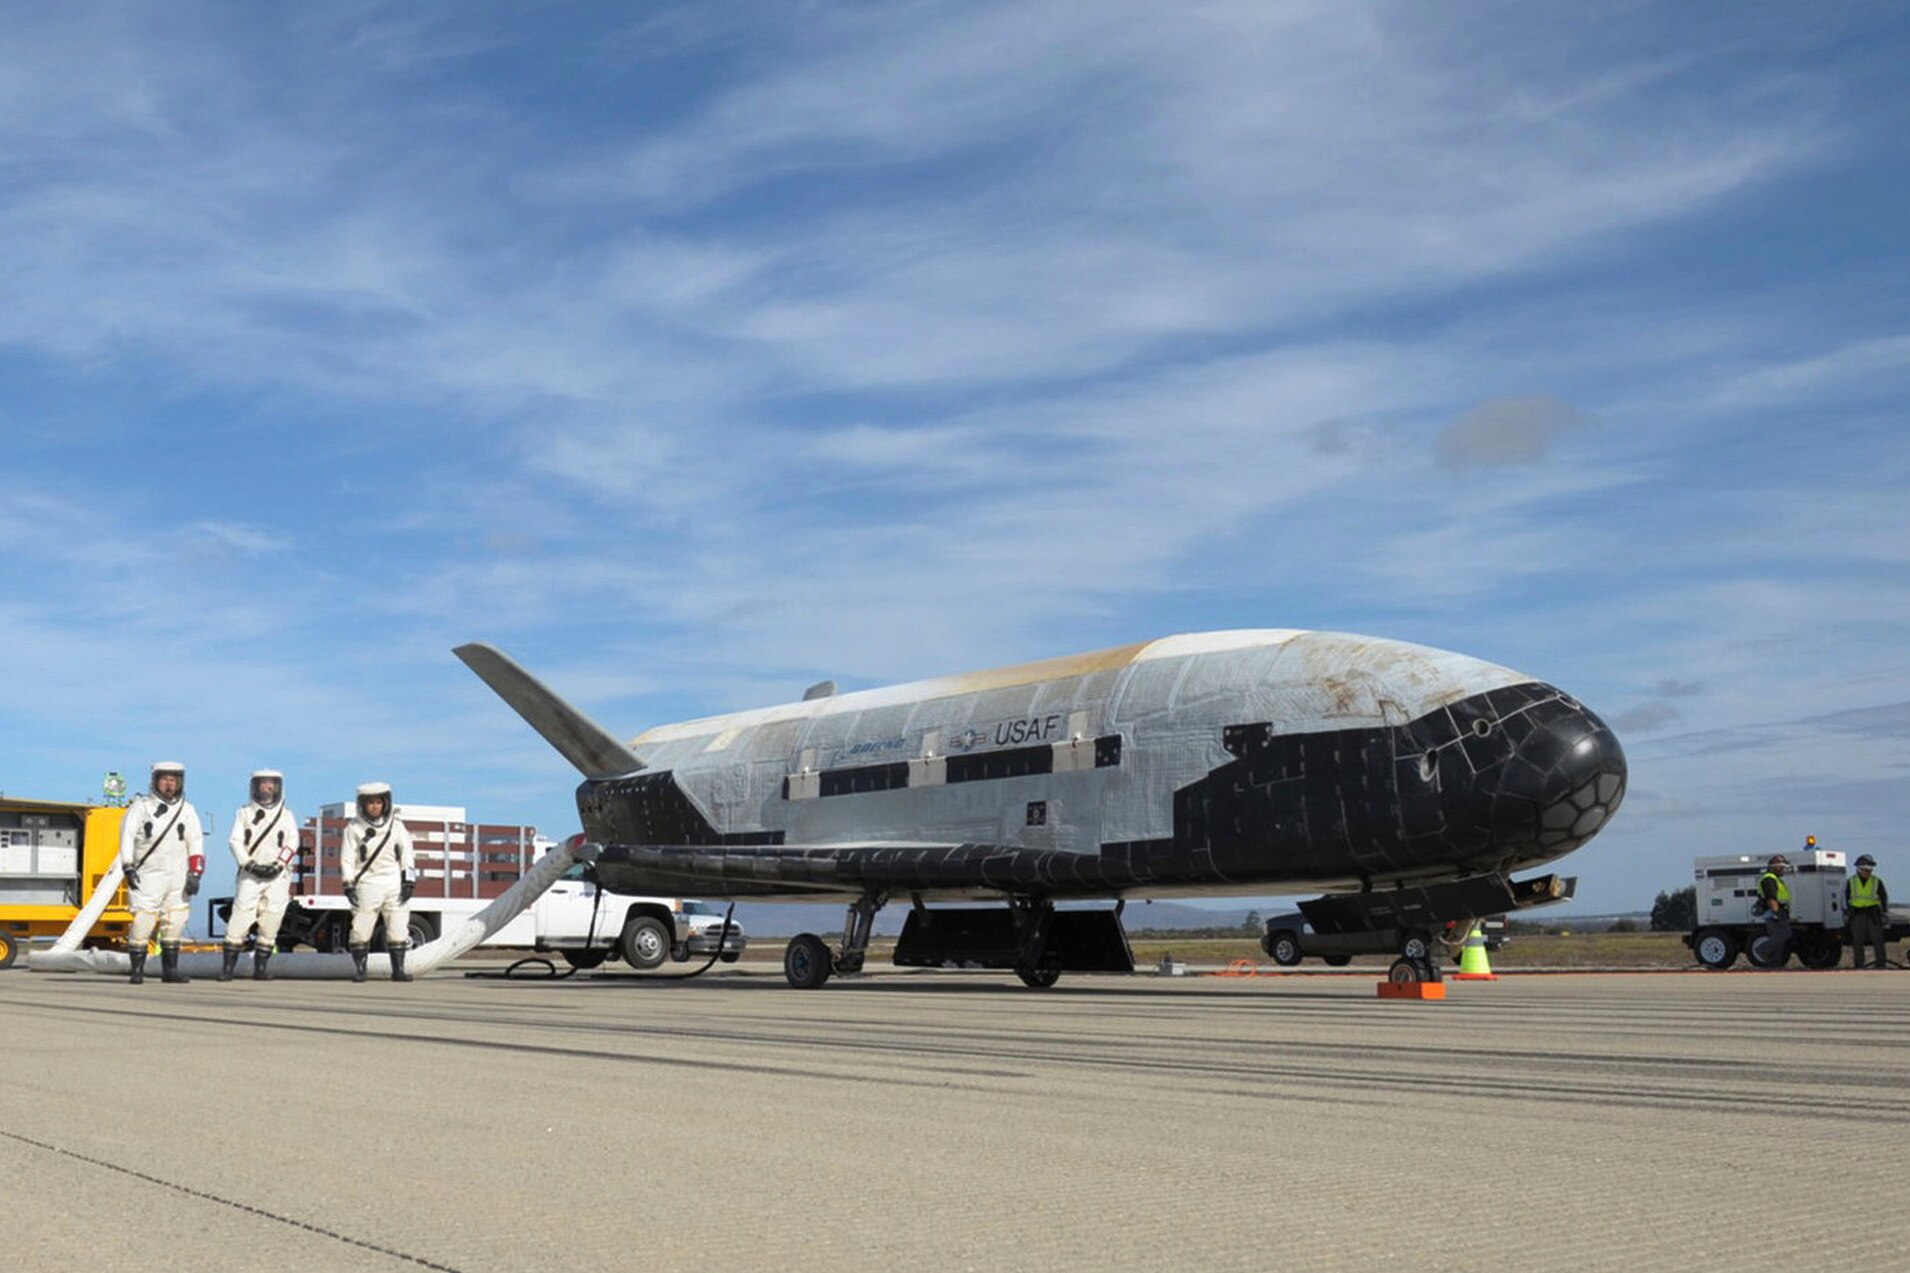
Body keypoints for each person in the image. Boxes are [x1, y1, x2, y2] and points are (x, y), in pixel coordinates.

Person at [118, 761, 204, 984]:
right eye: (165, 779)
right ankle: (137, 971)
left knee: (174, 921)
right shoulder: (141, 807)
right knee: (143, 921)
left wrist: (195, 873)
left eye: (174, 780)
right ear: (155, 781)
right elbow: (127, 836)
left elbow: (195, 842)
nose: (169, 784)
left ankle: (170, 971)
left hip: (178, 874)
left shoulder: (187, 810)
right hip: (148, 873)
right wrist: (128, 865)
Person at [222, 769, 298, 981]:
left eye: (272, 783)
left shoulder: (287, 815)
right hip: (250, 874)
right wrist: (248, 863)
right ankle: (227, 969)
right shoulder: (244, 813)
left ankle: (261, 969)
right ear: (255, 786)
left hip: (278, 877)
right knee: (240, 916)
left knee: (272, 918)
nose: (268, 787)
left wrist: (279, 864)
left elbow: (293, 842)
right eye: (263, 783)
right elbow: (234, 841)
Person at [340, 782, 419, 983]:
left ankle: (398, 970)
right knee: (361, 927)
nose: (375, 807)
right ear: (362, 804)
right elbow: (347, 859)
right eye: (370, 803)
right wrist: (348, 884)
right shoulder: (353, 828)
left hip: (393, 882)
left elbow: (407, 854)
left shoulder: (396, 826)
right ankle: (360, 970)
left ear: (385, 803)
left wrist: (408, 881)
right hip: (367, 883)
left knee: (399, 927)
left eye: (378, 802)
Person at [1845, 854, 1889, 969]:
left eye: (1869, 870)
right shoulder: (1851, 881)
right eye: (1865, 870)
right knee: (1857, 940)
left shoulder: (1876, 881)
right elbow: (1845, 897)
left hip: (1872, 913)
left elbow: (1883, 896)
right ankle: (1859, 964)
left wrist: (1884, 912)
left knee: (1878, 939)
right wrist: (1848, 912)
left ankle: (1881, 963)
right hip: (1857, 914)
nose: (1868, 872)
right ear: (1859, 869)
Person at [1755, 854, 1793, 969]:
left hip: (1779, 911)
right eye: (1780, 867)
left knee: (1779, 937)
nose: (1782, 870)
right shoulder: (1769, 879)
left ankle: (1774, 963)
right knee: (1783, 934)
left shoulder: (1775, 879)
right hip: (1774, 912)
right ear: (1773, 867)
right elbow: (1770, 897)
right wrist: (1775, 913)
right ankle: (1762, 949)